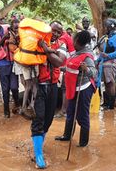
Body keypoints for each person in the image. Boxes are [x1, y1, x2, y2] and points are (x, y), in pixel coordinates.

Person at [30, 21, 67, 169]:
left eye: (59, 32)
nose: (56, 34)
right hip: (38, 86)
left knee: (49, 120)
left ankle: (39, 146)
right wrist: (47, 49)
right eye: (54, 30)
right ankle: (38, 155)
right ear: (47, 29)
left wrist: (45, 48)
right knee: (38, 118)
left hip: (53, 87)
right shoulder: (36, 43)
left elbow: (58, 62)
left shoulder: (62, 45)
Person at [55, 30, 97, 147]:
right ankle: (67, 136)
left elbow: (94, 72)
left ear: (78, 42)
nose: (72, 42)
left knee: (82, 116)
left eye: (74, 40)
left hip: (83, 88)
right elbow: (71, 67)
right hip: (73, 88)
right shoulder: (76, 53)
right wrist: (60, 68)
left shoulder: (87, 56)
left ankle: (83, 142)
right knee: (70, 113)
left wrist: (86, 69)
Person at [97, 18, 116, 110]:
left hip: (110, 62)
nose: (104, 28)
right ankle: (106, 102)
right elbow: (103, 52)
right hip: (104, 62)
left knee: (110, 83)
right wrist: (97, 61)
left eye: (105, 26)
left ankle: (111, 105)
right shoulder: (108, 36)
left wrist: (108, 55)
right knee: (106, 83)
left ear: (110, 27)